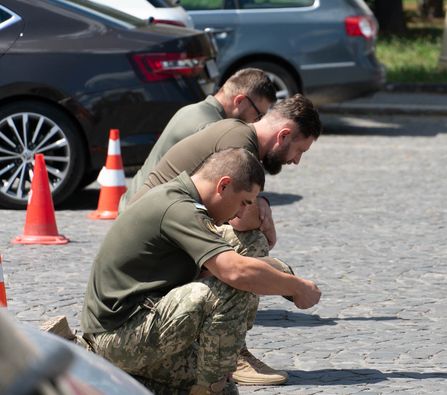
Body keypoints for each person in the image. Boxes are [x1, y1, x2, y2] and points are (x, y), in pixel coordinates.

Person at [81, 148, 321, 395]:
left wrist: (279, 273)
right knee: (233, 287)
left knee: (250, 243)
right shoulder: (178, 207)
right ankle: (209, 388)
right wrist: (297, 288)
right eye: (243, 202)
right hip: (116, 338)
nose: (241, 212)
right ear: (223, 186)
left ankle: (208, 366)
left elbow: (235, 260)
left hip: (143, 321)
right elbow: (235, 272)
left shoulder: (186, 199)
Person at [123, 94, 322, 386]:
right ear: (284, 135)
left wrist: (260, 205)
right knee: (250, 243)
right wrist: (262, 216)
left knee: (246, 246)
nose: (296, 161)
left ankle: (215, 342)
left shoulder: (239, 133)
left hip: (158, 244)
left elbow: (240, 210)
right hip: (150, 258)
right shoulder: (241, 146)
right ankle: (231, 351)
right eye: (299, 150)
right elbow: (244, 220)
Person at [119, 67, 277, 212]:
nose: (256, 122)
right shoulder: (212, 128)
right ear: (240, 101)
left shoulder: (192, 109)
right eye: (258, 115)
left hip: (133, 204)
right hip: (144, 212)